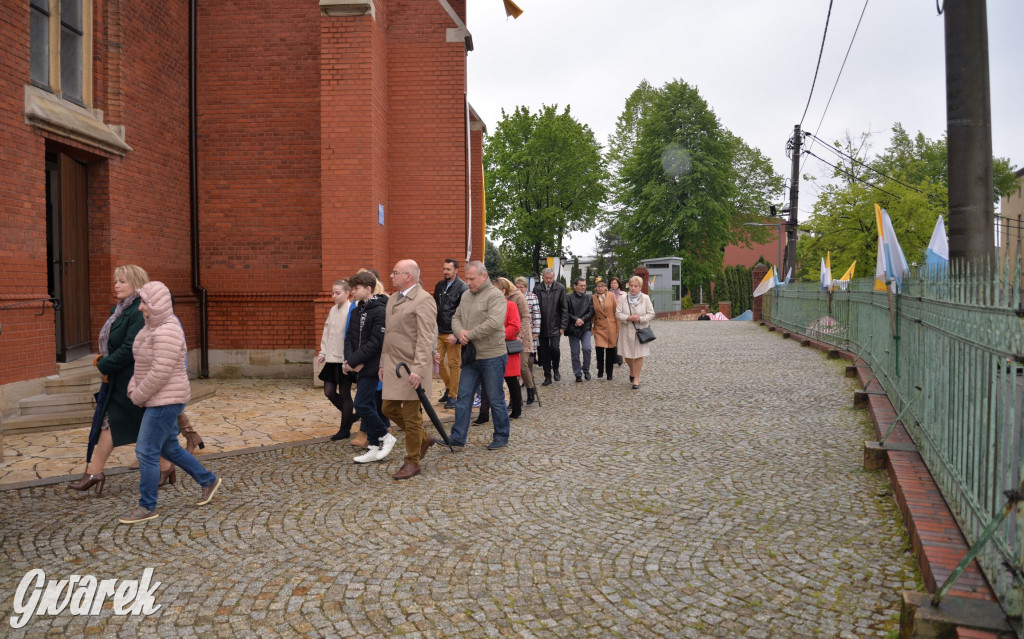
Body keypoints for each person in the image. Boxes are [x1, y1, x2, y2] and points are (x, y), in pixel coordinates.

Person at [119, 281, 221, 524]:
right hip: (157, 399)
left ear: (157, 304)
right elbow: (142, 367)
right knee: (169, 449)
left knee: (145, 451)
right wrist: (134, 386)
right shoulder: (151, 329)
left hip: (164, 401)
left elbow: (159, 373)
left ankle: (147, 506)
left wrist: (138, 395)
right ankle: (208, 480)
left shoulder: (167, 331)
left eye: (145, 302)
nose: (141, 307)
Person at [68, 265, 174, 495]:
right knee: (114, 422)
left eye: (122, 281)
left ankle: (170, 467)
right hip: (119, 378)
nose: (116, 285)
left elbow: (129, 348)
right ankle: (95, 471)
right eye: (116, 281)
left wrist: (104, 364)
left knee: (134, 423)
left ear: (136, 284)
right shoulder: (119, 310)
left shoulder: (138, 310)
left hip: (133, 378)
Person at [380, 260, 438, 480]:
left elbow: (425, 338)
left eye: (396, 272)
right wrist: (381, 364)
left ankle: (412, 461)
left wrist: (419, 369)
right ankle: (423, 438)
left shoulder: (424, 300)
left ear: (409, 276)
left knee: (412, 416)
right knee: (388, 408)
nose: (392, 275)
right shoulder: (393, 299)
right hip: (394, 366)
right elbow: (388, 334)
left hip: (413, 367)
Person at [448, 261, 511, 450]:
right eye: (466, 278)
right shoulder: (466, 295)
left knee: (495, 398)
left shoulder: (495, 296)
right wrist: (460, 333)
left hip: (492, 356)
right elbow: (455, 317)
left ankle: (501, 436)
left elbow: (494, 322)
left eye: (472, 279)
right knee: (463, 397)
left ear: (484, 276)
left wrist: (468, 334)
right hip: (470, 356)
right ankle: (457, 438)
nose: (468, 282)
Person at [343, 271, 395, 463]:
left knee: (362, 404)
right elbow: (349, 337)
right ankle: (374, 445)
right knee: (369, 403)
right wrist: (350, 361)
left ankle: (385, 436)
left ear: (368, 289)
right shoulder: (356, 310)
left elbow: (376, 342)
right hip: (359, 365)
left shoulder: (380, 310)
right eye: (351, 289)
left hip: (373, 366)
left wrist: (355, 360)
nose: (353, 292)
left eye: (356, 289)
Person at [475, 282, 523, 422]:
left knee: (511, 381)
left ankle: (516, 409)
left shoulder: (511, 306)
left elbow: (514, 326)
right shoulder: (486, 307)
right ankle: (483, 414)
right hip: (488, 348)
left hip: (506, 347)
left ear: (503, 291)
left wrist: (497, 336)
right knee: (486, 382)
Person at [317, 279, 353, 441]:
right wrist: (323, 352)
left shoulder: (351, 309)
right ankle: (350, 416)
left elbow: (351, 337)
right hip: (331, 359)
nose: (334, 296)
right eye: (333, 293)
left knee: (345, 394)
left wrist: (349, 359)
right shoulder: (333, 309)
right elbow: (327, 331)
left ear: (347, 293)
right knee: (329, 392)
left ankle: (344, 428)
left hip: (344, 360)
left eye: (338, 293)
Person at [433, 259, 468, 410]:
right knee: (438, 362)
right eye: (444, 269)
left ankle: (454, 395)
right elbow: (435, 307)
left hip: (453, 332)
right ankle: (449, 388)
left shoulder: (462, 288)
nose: (445, 272)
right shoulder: (439, 285)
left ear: (456, 271)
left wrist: (457, 333)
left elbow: (464, 313)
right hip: (439, 330)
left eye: (448, 269)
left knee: (454, 364)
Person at [615, 275, 656, 390]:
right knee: (627, 355)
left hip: (640, 331)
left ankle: (636, 378)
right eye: (631, 285)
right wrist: (628, 317)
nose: (633, 288)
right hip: (626, 330)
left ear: (640, 287)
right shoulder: (623, 298)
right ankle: (632, 370)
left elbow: (651, 314)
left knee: (638, 355)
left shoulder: (646, 298)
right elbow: (617, 314)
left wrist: (641, 319)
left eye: (635, 286)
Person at [533, 267, 567, 385]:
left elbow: (564, 308)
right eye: (546, 278)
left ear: (553, 277)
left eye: (550, 278)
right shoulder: (537, 288)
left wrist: (563, 325)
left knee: (555, 348)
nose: (548, 280)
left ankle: (556, 368)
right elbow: (534, 308)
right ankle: (547, 376)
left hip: (555, 325)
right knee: (544, 352)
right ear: (543, 277)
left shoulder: (560, 288)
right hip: (541, 326)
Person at [515, 276, 542, 404]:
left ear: (526, 287)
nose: (519, 289)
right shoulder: (512, 297)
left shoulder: (532, 297)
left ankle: (529, 382)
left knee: (528, 361)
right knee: (519, 362)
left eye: (522, 287)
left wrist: (536, 331)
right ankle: (522, 381)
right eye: (517, 286)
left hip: (529, 333)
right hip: (515, 333)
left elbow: (536, 314)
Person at [565, 277, 594, 382]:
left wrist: (582, 319)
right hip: (573, 328)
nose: (583, 287)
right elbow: (565, 312)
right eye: (581, 285)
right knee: (575, 352)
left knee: (587, 348)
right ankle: (578, 373)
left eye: (584, 285)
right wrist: (575, 319)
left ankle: (586, 370)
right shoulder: (568, 298)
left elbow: (591, 311)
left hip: (585, 327)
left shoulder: (589, 297)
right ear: (575, 286)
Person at [591, 278, 619, 381]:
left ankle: (609, 372)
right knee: (599, 349)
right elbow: (591, 313)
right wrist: (591, 327)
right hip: (599, 326)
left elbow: (617, 312)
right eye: (598, 286)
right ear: (595, 288)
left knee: (610, 350)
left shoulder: (611, 296)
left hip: (611, 326)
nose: (600, 288)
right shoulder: (593, 298)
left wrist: (618, 327)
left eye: (602, 286)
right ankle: (600, 369)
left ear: (606, 287)